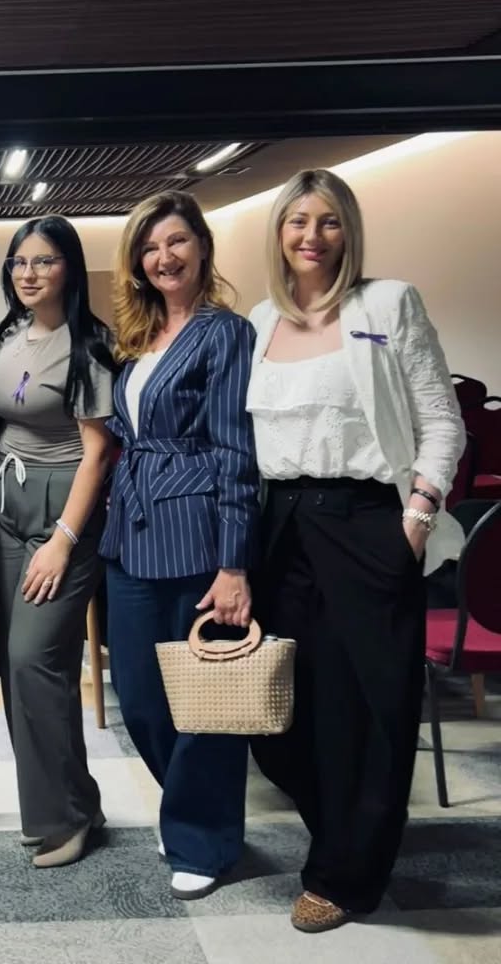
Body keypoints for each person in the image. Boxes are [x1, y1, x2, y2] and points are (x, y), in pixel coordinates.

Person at [246, 169, 465, 933]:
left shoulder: (388, 303)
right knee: (285, 714)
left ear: (349, 231)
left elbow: (442, 420)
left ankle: (346, 874)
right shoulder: (260, 320)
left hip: (367, 520)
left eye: (329, 221)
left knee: (369, 708)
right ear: (278, 232)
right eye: (297, 221)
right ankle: (338, 833)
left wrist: (417, 514)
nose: (312, 236)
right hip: (282, 526)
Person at [99, 191, 259, 901]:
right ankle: (190, 809)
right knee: (139, 698)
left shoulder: (225, 333)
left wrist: (234, 562)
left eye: (176, 242)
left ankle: (204, 839)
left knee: (204, 701)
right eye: (150, 247)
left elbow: (234, 451)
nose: (163, 257)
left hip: (197, 535)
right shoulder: (139, 335)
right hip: (130, 532)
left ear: (202, 247)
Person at [0, 215, 116, 868]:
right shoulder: (9, 333)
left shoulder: (89, 344)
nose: (29, 273)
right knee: (19, 669)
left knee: (35, 657)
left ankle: (64, 819)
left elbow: (99, 453)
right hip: (3, 503)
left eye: (45, 261)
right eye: (19, 262)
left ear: (70, 268)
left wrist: (63, 539)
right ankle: (71, 804)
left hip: (62, 511)